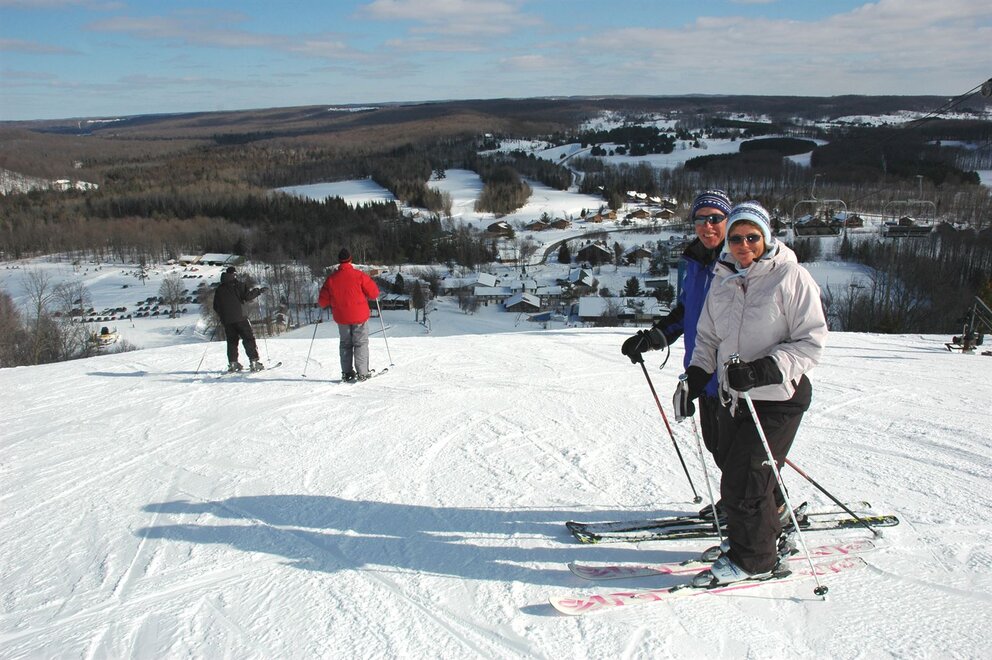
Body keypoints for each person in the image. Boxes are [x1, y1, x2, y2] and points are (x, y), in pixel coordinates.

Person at [675, 201, 827, 586]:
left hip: (779, 398)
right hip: (734, 397)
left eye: (752, 237)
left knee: (744, 482)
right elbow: (708, 338)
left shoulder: (790, 277)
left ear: (766, 237)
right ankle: (763, 536)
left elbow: (811, 342)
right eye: (737, 237)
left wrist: (762, 370)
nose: (744, 244)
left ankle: (755, 559)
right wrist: (695, 378)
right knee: (739, 472)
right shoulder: (724, 280)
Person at [620, 189, 732, 515]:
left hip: (735, 374)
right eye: (700, 219)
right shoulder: (695, 262)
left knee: (746, 452)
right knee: (720, 447)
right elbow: (686, 312)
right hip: (702, 373)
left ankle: (766, 506)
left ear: (728, 220)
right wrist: (653, 337)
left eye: (715, 218)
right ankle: (738, 502)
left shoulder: (739, 259)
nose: (707, 226)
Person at [318, 248, 381, 382]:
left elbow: (322, 302)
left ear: (339, 261)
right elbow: (374, 293)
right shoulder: (359, 275)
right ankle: (362, 372)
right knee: (361, 343)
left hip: (342, 318)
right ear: (351, 260)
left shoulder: (331, 279)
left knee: (345, 344)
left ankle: (347, 373)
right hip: (359, 316)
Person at [212, 266, 267, 372]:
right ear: (234, 274)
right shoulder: (239, 285)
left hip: (227, 321)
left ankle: (233, 364)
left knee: (232, 341)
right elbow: (247, 297)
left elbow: (216, 306)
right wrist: (259, 291)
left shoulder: (219, 289)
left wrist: (224, 316)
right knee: (248, 339)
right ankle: (254, 362)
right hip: (241, 318)